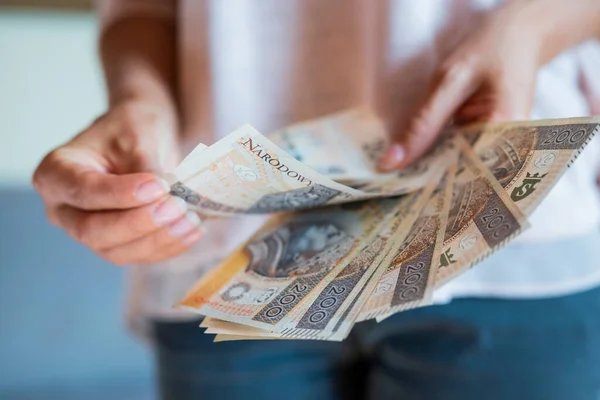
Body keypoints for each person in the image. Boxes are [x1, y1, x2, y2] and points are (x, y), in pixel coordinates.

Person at [32, 0, 600, 399]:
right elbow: (141, 9)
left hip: (514, 248)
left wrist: (531, 25)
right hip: (223, 257)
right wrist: (142, 103)